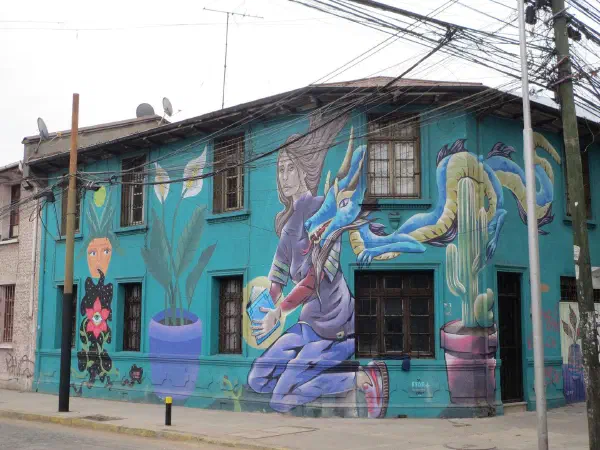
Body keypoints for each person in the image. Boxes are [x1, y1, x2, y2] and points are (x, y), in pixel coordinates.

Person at [247, 114, 389, 418]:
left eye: (290, 168)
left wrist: (279, 312)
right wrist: (265, 307)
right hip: (308, 325)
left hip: (337, 328)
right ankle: (324, 378)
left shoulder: (326, 210)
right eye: (280, 169)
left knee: (280, 400)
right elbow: (278, 276)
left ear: (304, 170)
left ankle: (359, 378)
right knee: (257, 379)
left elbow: (314, 279)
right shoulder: (288, 224)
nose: (284, 177)